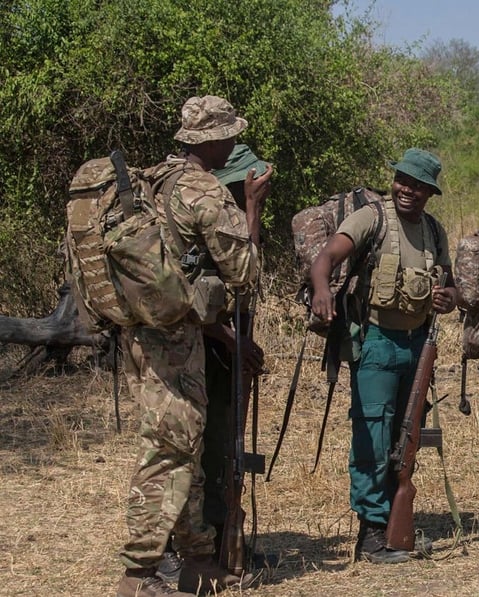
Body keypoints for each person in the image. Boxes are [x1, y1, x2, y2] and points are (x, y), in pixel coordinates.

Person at [116, 95, 270, 597]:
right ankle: (141, 572)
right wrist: (251, 208)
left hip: (145, 334)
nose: (234, 145)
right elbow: (244, 273)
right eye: (229, 136)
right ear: (213, 141)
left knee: (186, 446)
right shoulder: (203, 190)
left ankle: (197, 561)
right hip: (176, 342)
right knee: (167, 452)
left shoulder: (153, 179)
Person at [309, 148, 457, 564]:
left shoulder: (433, 230)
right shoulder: (371, 218)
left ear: (430, 191)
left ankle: (395, 519)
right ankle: (371, 533)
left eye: (418, 185)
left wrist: (449, 297)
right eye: (402, 181)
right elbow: (326, 258)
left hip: (418, 345)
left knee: (406, 435)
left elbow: (453, 285)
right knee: (372, 436)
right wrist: (322, 289)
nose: (407, 190)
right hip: (375, 341)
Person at [156, 144, 273, 584]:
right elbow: (181, 298)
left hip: (221, 347)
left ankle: (221, 537)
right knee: (183, 449)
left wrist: (251, 212)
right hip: (185, 347)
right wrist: (230, 338)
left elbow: (245, 274)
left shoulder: (222, 217)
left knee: (222, 443)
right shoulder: (186, 211)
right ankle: (170, 551)